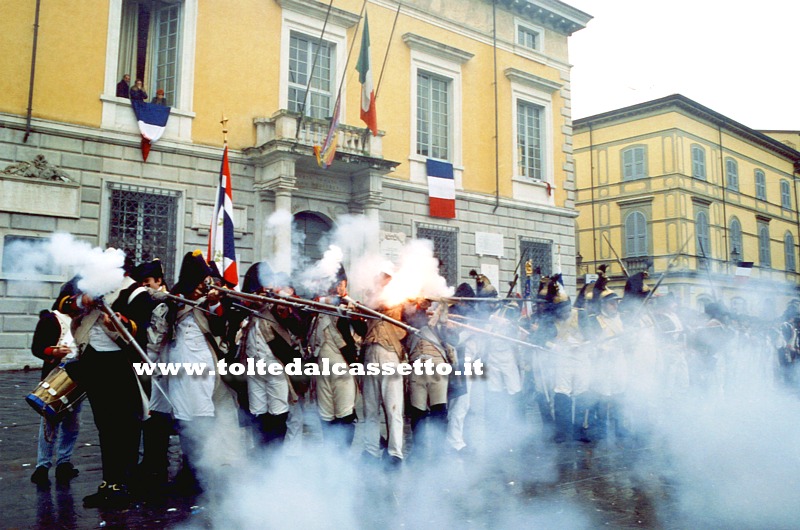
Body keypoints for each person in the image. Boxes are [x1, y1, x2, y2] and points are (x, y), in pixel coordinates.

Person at [57, 259, 154, 509]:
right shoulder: (94, 287)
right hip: (94, 361)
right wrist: (82, 301)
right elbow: (62, 303)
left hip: (122, 364)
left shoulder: (136, 293)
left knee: (127, 426)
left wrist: (121, 323)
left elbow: (139, 330)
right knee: (105, 425)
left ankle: (124, 484)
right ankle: (108, 482)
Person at [165, 251, 235, 495]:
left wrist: (214, 302)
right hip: (178, 361)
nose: (203, 285)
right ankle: (189, 467)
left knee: (201, 413)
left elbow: (218, 327)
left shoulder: (210, 299)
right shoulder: (176, 297)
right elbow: (167, 318)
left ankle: (202, 467)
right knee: (183, 415)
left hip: (200, 361)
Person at [306, 265, 365, 452]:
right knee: (325, 415)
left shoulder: (350, 304)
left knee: (345, 413)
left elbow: (363, 331)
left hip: (343, 366)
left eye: (339, 283)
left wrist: (353, 313)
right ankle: (330, 457)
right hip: (321, 368)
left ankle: (344, 457)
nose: (335, 286)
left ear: (344, 284)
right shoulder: (318, 305)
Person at [30, 279, 82, 487]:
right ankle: (42, 465)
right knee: (49, 421)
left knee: (73, 422)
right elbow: (37, 347)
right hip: (55, 375)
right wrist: (52, 351)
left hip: (78, 374)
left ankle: (64, 462)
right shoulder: (52, 319)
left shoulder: (84, 319)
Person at [361, 265, 408, 467]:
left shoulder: (401, 298)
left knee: (393, 408)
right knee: (370, 409)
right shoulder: (370, 300)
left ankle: (395, 453)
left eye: (385, 278)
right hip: (370, 354)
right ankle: (370, 450)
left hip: (390, 354)